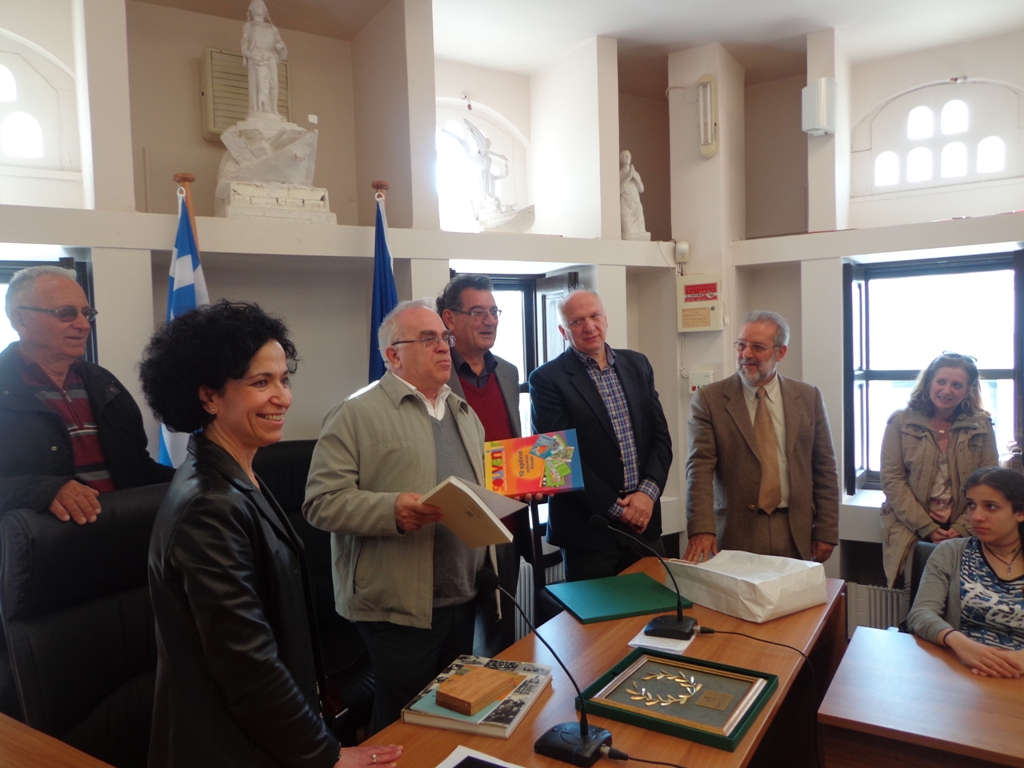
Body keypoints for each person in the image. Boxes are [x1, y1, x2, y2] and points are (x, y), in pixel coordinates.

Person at [139, 301, 402, 768]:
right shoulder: (209, 506)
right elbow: (246, 664)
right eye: (261, 383)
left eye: (283, 379)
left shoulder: (238, 475)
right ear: (209, 396)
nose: (283, 398)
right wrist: (327, 755)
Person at [304, 299, 489, 733]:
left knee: (453, 717)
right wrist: (391, 511)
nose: (443, 347)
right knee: (404, 725)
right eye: (428, 339)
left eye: (444, 337)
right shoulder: (355, 413)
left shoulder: (464, 413)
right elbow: (320, 502)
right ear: (393, 355)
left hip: (463, 595)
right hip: (397, 607)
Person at [0, 265, 173, 521]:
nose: (83, 325)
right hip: (45, 544)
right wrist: (40, 490)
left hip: (124, 534)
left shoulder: (105, 383)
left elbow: (137, 468)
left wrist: (199, 479)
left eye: (86, 313)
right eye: (66, 313)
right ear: (20, 320)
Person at [529, 289, 672, 582]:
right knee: (595, 614)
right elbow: (556, 458)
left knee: (656, 609)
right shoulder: (546, 380)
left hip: (643, 524)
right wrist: (619, 509)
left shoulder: (638, 364)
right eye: (577, 321)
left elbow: (660, 439)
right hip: (588, 532)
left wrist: (647, 494)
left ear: (606, 318)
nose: (589, 327)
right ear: (563, 331)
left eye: (595, 316)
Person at [683, 310, 839, 564]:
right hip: (736, 531)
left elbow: (825, 469)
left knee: (794, 591)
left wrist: (826, 530)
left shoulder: (808, 397)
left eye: (757, 347)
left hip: (795, 530)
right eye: (741, 345)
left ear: (780, 352)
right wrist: (701, 528)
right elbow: (698, 468)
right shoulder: (710, 399)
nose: (746, 354)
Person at [437, 274, 528, 656]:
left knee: (500, 643)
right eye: (478, 312)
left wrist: (529, 479)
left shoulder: (508, 371)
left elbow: (511, 442)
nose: (490, 320)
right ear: (449, 319)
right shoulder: (435, 374)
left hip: (505, 527)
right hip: (456, 533)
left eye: (494, 311)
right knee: (455, 652)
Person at [880, 353, 998, 588]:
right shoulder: (901, 421)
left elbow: (989, 481)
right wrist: (927, 527)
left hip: (966, 526)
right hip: (912, 526)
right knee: (917, 596)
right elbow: (892, 480)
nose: (947, 390)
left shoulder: (982, 425)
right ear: (928, 383)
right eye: (941, 382)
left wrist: (961, 527)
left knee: (963, 596)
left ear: (968, 390)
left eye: (957, 385)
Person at [907, 467, 1024, 678]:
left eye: (991, 506)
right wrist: (958, 641)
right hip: (960, 669)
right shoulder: (951, 552)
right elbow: (921, 614)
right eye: (971, 505)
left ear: (1020, 512)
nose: (976, 516)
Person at [242, 0, 287, 117]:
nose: (258, 6)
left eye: (261, 4)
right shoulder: (249, 25)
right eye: (255, 4)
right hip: (256, 57)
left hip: (270, 57)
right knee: (259, 84)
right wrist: (248, 52)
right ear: (251, 9)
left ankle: (273, 109)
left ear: (265, 10)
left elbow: (279, 41)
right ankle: (259, 109)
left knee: (273, 83)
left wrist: (280, 45)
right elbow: (244, 41)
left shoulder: (272, 28)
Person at [619, 150, 647, 238]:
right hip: (626, 207)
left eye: (628, 155)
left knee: (641, 233)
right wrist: (628, 177)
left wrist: (634, 176)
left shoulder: (636, 174)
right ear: (621, 159)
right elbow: (618, 190)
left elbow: (641, 189)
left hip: (636, 206)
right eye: (624, 155)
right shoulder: (619, 174)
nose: (627, 157)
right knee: (628, 233)